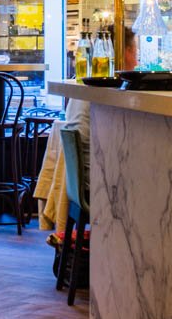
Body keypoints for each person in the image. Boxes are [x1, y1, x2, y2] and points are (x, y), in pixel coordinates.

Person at [36, 28, 137, 237]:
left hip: (79, 183)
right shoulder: (108, 95)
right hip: (97, 183)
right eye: (135, 52)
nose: (136, 62)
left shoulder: (87, 88)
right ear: (123, 52)